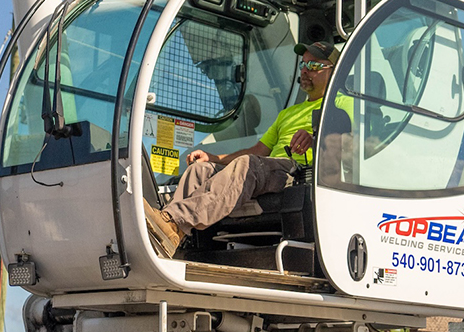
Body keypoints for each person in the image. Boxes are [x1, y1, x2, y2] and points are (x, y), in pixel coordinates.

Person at [144, 41, 341, 257]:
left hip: (296, 172)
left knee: (249, 165)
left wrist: (316, 137)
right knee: (199, 170)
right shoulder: (288, 113)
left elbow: (354, 145)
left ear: (335, 70)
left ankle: (172, 221)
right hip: (266, 169)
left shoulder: (343, 104)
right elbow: (258, 149)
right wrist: (213, 157)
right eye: (303, 65)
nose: (304, 71)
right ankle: (170, 240)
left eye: (313, 66)